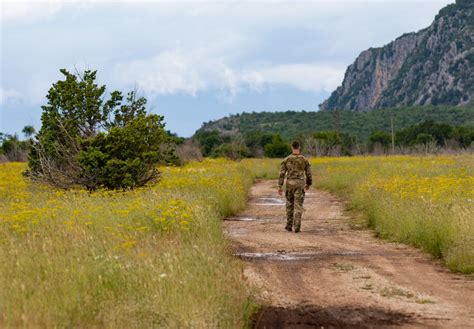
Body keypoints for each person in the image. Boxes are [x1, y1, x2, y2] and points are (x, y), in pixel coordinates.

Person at [277, 141, 312, 233]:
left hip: (289, 184)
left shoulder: (286, 159)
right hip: (300, 184)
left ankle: (289, 225)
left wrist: (280, 186)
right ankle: (297, 226)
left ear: (291, 147)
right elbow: (308, 173)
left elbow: (282, 174)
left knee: (289, 204)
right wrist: (308, 184)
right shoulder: (304, 160)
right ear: (299, 147)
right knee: (298, 205)